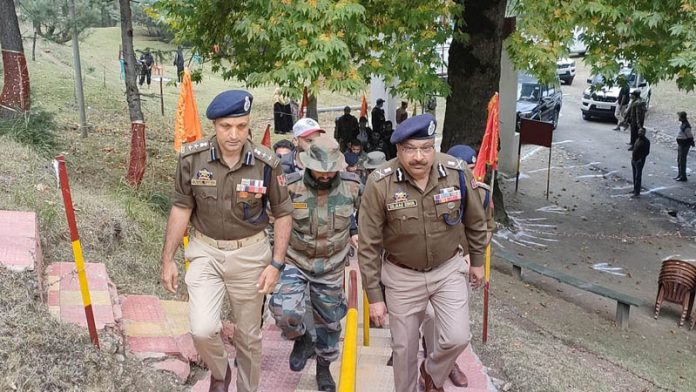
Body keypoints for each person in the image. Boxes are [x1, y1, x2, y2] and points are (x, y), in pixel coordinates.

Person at [160, 90, 294, 392]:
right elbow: (181, 208)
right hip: (205, 251)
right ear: (215, 125)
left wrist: (276, 264)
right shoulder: (192, 159)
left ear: (248, 125)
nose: (234, 134)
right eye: (226, 127)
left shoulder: (266, 163)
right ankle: (220, 373)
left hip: (250, 255)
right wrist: (167, 259)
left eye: (241, 126)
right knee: (203, 328)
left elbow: (284, 213)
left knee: (248, 337)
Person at [358, 114, 488, 392]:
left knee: (457, 337)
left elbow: (476, 221)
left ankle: (431, 372)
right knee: (404, 350)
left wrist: (478, 261)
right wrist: (374, 297)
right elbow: (368, 245)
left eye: (426, 148)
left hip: (448, 269)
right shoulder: (380, 183)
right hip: (402, 276)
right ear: (398, 150)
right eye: (410, 149)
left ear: (434, 146)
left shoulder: (456, 172)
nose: (419, 157)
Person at [270, 135, 361, 392]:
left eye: (331, 170)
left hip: (331, 266)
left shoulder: (353, 187)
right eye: (320, 169)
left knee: (330, 324)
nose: (325, 175)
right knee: (284, 311)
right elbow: (273, 222)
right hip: (294, 261)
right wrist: (273, 260)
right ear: (308, 164)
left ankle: (323, 368)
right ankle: (302, 339)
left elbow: (370, 216)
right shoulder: (290, 187)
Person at [418, 144, 495, 387]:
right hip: (426, 265)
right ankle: (435, 363)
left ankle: (441, 365)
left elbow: (486, 228)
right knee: (430, 317)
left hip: (461, 265)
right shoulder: (430, 189)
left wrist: (475, 258)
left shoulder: (482, 194)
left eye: (472, 168)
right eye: (464, 169)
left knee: (456, 326)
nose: (470, 174)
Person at [631, 127, 651, 197]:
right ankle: (635, 189)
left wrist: (641, 159)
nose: (640, 133)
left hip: (639, 160)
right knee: (634, 175)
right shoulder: (638, 139)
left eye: (642, 132)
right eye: (639, 131)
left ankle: (637, 192)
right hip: (634, 159)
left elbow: (647, 152)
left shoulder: (646, 141)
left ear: (644, 133)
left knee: (638, 176)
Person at [675, 111, 694, 182]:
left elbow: (690, 136)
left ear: (682, 117)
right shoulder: (683, 124)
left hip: (684, 145)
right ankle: (680, 174)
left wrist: (691, 143)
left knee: (682, 160)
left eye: (679, 116)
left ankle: (683, 176)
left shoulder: (686, 126)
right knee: (679, 160)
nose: (678, 118)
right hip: (681, 144)